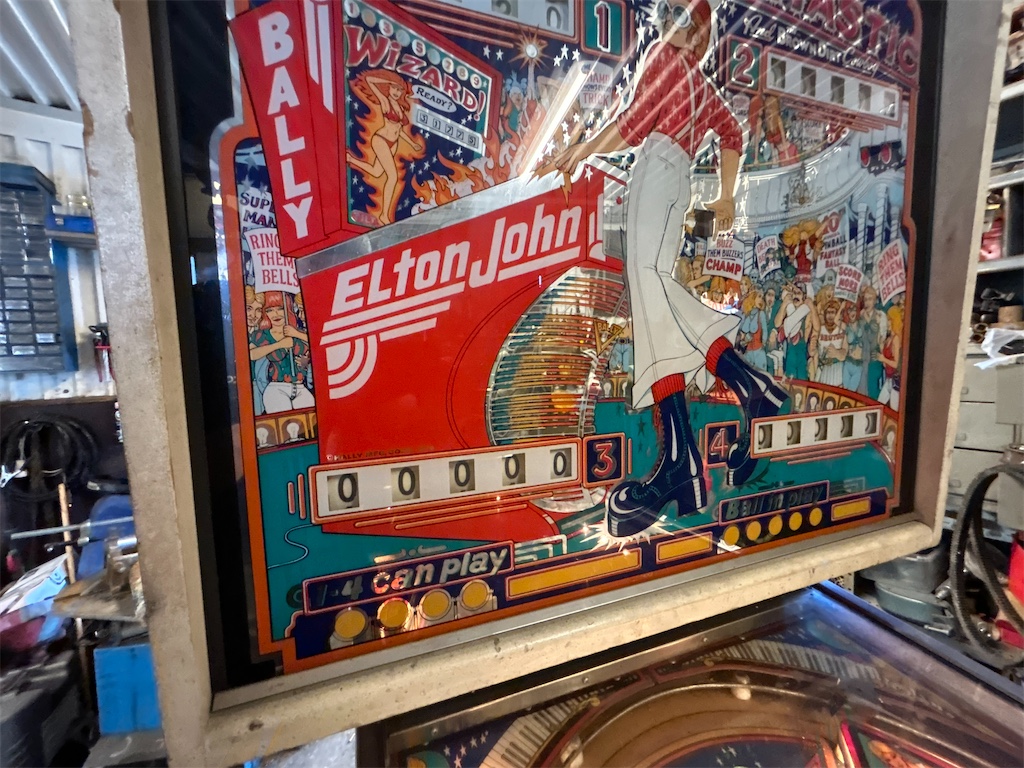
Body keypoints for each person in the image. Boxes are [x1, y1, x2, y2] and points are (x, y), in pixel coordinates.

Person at [545, 0, 788, 537]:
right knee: (654, 301)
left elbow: (632, 125)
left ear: (695, 30)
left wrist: (583, 149)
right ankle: (701, 442)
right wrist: (725, 195)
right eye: (670, 12)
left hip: (656, 171)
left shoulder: (662, 56)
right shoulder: (698, 84)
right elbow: (731, 134)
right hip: (676, 181)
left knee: (650, 291)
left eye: (681, 15)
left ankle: (734, 401)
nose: (669, 22)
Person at [347, 70, 425, 226]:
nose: (396, 92)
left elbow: (399, 131)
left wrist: (412, 143)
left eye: (399, 89)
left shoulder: (400, 107)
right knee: (393, 177)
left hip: (393, 143)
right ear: (388, 87)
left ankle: (350, 159)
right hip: (381, 140)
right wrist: (386, 81)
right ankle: (384, 216)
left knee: (377, 172)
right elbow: (370, 80)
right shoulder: (385, 101)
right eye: (394, 88)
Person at [249, 292, 315, 413]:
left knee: (310, 418)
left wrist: (296, 334)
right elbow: (251, 355)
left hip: (300, 387)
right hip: (277, 388)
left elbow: (317, 343)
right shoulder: (262, 335)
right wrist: (279, 345)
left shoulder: (298, 332)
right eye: (269, 310)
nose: (276, 314)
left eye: (280, 308)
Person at [775, 283, 819, 381]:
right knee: (790, 382)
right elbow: (777, 323)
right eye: (794, 293)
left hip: (802, 354)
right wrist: (784, 304)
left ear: (804, 296)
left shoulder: (807, 313)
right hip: (790, 353)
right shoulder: (789, 311)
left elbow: (817, 327)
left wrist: (811, 306)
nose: (795, 296)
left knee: (802, 381)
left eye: (798, 293)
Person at [245, 285, 271, 415]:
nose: (254, 315)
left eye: (258, 310)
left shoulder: (263, 336)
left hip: (259, 390)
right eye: (249, 308)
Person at [815, 299, 847, 387]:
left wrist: (837, 353)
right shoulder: (820, 329)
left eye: (833, 312)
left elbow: (845, 352)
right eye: (828, 312)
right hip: (823, 368)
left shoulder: (842, 329)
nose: (830, 315)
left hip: (838, 369)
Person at [877, 302, 903, 409]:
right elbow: (884, 364)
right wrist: (881, 347)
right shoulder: (888, 339)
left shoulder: (896, 339)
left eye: (890, 319)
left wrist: (883, 358)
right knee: (879, 405)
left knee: (893, 410)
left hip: (895, 380)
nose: (887, 322)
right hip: (888, 379)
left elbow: (896, 364)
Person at [738, 290, 769, 371]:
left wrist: (764, 343)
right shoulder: (748, 315)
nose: (761, 300)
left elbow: (765, 330)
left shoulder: (761, 314)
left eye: (762, 298)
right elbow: (743, 332)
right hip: (748, 351)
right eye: (759, 297)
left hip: (759, 350)